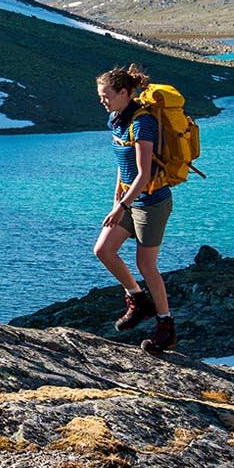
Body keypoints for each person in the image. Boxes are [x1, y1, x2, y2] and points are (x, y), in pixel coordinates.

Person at [94, 64, 176, 354]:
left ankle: (166, 325)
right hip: (128, 200)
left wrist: (122, 205)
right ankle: (138, 300)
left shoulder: (142, 123)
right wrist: (117, 200)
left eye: (107, 95)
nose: (102, 100)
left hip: (152, 203)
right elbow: (123, 167)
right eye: (100, 95)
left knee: (146, 264)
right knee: (103, 250)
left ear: (125, 93)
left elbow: (143, 173)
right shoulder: (116, 120)